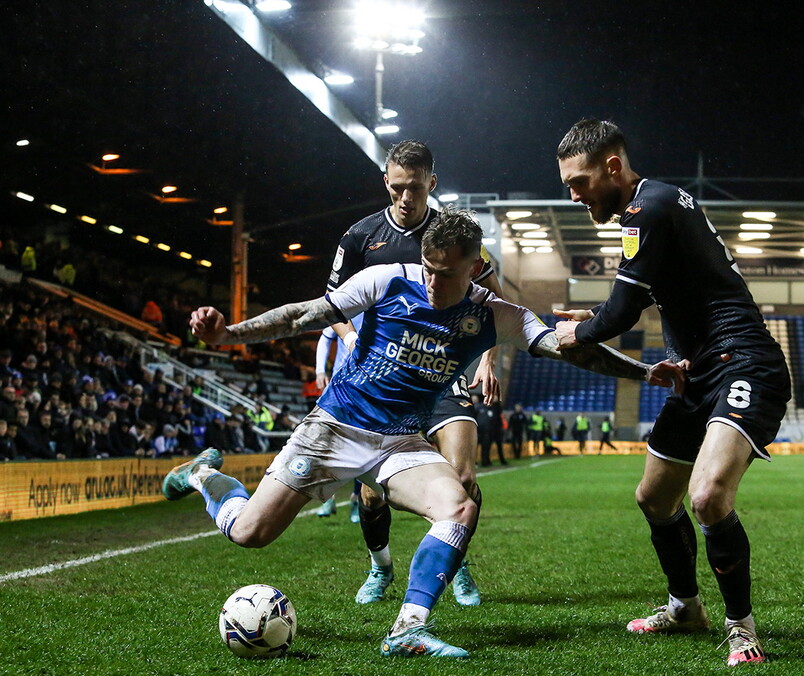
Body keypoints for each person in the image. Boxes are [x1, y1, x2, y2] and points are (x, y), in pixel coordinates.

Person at [171, 208, 682, 657]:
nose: (433, 282)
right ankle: (201, 476)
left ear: (476, 268)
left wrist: (645, 372)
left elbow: (570, 348)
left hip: (398, 442)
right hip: (333, 428)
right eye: (430, 270)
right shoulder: (387, 280)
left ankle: (407, 628)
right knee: (249, 534)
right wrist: (228, 334)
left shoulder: (495, 314)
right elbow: (307, 313)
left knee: (460, 504)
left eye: (446, 274)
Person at [554, 119, 791, 667]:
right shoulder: (656, 202)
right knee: (655, 498)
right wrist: (597, 319)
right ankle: (685, 607)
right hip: (697, 369)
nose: (573, 194)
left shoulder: (646, 210)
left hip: (744, 363)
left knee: (708, 497)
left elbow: (622, 312)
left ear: (613, 166)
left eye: (580, 181)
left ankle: (741, 627)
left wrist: (578, 332)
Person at [313, 140, 504, 607]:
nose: (405, 197)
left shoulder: (453, 231)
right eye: (397, 187)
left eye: (415, 188)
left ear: (431, 184)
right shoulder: (361, 237)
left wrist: (487, 359)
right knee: (373, 496)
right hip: (380, 378)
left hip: (443, 369)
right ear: (386, 182)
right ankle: (381, 570)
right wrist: (349, 335)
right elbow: (330, 305)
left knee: (463, 477)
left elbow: (493, 296)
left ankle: (455, 567)